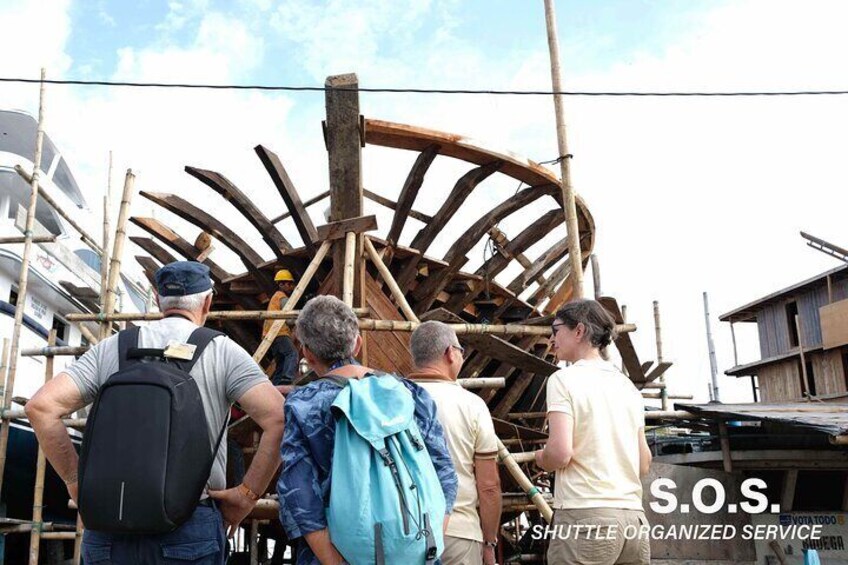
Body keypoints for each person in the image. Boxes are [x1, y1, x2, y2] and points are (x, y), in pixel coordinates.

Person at [26, 261, 285, 564]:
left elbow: (41, 408)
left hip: (109, 525)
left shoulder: (112, 348)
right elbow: (278, 418)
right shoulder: (222, 351)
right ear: (208, 301)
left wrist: (76, 483)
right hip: (189, 526)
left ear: (158, 298)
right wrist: (246, 496)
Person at [277, 295, 458, 565]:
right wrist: (423, 547)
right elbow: (445, 475)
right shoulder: (410, 394)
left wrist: (334, 560)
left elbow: (298, 490)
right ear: (358, 344)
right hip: (419, 552)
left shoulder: (304, 404)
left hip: (337, 551)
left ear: (307, 354)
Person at [534, 299, 652, 565]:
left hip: (585, 516)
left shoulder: (563, 380)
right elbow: (643, 463)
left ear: (579, 331)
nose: (552, 339)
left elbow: (561, 453)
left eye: (556, 329)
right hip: (633, 520)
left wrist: (541, 458)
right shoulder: (627, 387)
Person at [408, 321, 502, 565]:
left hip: (403, 530)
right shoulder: (471, 405)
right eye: (461, 350)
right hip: (459, 533)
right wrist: (489, 541)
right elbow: (489, 486)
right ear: (450, 353)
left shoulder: (392, 397)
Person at [265, 269, 299, 385]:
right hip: (279, 332)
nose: (292, 287)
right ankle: (287, 379)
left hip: (270, 335)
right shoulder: (282, 297)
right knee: (292, 354)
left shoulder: (274, 298)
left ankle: (276, 385)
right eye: (289, 284)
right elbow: (289, 320)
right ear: (281, 284)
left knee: (281, 362)